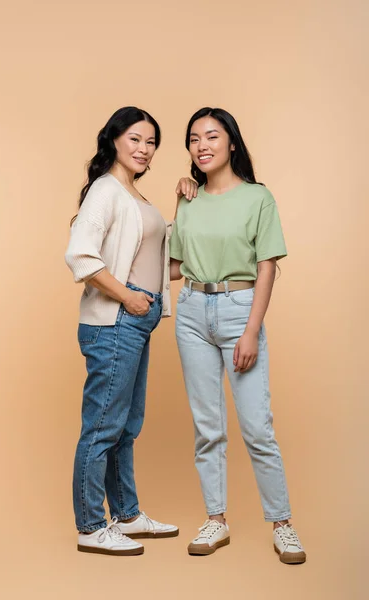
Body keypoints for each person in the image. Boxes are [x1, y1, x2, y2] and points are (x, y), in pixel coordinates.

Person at [170, 107, 306, 564]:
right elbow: (173, 264)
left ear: (232, 143)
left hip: (238, 311)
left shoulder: (258, 198)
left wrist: (251, 331)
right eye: (194, 138)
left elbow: (267, 266)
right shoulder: (187, 199)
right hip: (190, 311)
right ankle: (216, 519)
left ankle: (282, 523)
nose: (202, 145)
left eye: (211, 136)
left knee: (255, 427)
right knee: (207, 427)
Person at [65, 106, 196, 556]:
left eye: (152, 142)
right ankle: (90, 526)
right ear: (115, 140)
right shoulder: (105, 191)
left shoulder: (136, 197)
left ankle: (126, 515)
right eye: (136, 139)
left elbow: (167, 264)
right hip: (114, 320)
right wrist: (128, 297)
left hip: (136, 320)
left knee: (125, 427)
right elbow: (81, 256)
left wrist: (184, 204)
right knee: (103, 426)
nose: (144, 149)